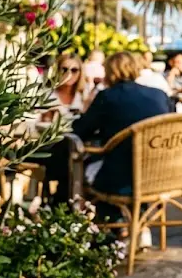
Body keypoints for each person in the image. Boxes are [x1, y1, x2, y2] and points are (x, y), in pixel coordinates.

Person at [72, 52, 173, 215]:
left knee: (83, 166)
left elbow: (80, 131)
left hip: (120, 181)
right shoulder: (160, 95)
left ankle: (107, 227)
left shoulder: (107, 96)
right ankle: (138, 225)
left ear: (109, 72)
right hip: (162, 177)